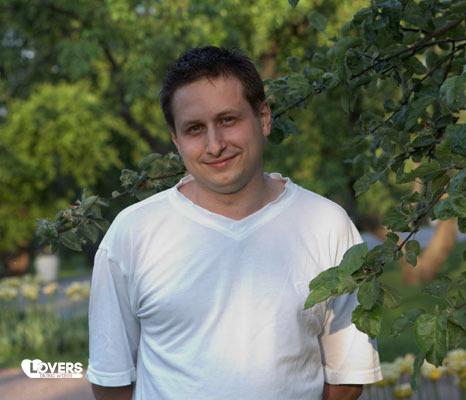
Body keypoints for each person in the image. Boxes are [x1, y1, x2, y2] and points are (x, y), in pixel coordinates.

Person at [86, 46, 382, 400]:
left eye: (228, 120)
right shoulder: (132, 235)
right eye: (195, 128)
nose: (215, 145)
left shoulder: (326, 225)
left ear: (264, 117)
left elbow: (347, 376)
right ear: (176, 139)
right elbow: (111, 379)